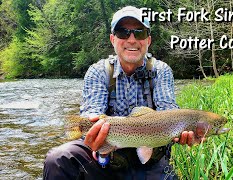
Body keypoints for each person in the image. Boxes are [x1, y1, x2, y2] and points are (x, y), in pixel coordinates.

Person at [43, 6, 201, 180]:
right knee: (58, 159)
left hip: (150, 163)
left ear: (148, 40)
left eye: (139, 33)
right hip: (105, 159)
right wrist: (95, 137)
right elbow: (92, 113)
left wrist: (184, 131)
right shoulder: (98, 71)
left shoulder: (161, 70)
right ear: (112, 39)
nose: (131, 39)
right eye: (123, 32)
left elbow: (169, 113)